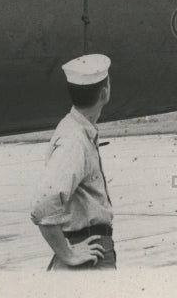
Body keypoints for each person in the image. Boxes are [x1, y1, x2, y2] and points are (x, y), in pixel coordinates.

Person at [31, 53, 117, 270]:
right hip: (89, 256)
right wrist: (68, 254)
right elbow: (43, 204)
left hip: (88, 250)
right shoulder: (74, 140)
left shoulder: (78, 131)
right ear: (104, 93)